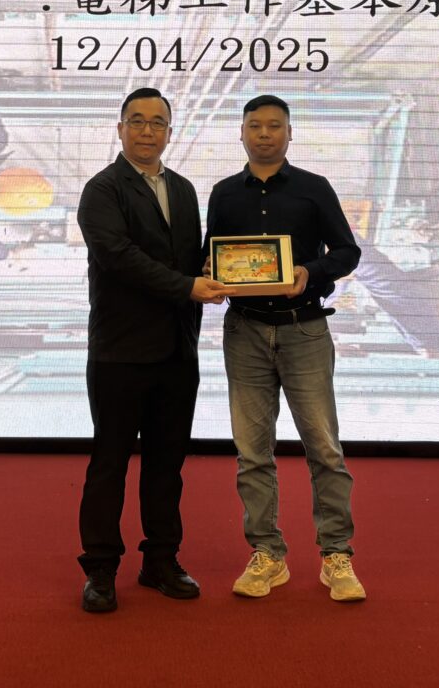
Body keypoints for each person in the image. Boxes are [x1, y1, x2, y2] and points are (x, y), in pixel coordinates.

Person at [205, 94, 367, 603]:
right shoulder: (224, 193)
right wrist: (210, 272)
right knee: (252, 453)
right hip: (245, 332)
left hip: (305, 330)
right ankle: (267, 554)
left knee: (325, 449)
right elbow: (212, 254)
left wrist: (309, 272)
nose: (264, 134)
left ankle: (336, 555)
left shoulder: (314, 188)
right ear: (241, 133)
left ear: (289, 133)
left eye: (274, 125)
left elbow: (348, 252)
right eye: (255, 125)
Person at [75, 87, 229, 613]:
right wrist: (187, 286)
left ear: (169, 131)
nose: (147, 130)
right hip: (119, 352)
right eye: (137, 121)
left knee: (167, 467)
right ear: (120, 129)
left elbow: (190, 258)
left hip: (177, 354)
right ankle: (100, 570)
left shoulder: (182, 189)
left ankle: (161, 560)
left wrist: (223, 269)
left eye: (157, 122)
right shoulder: (102, 189)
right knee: (109, 465)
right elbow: (118, 257)